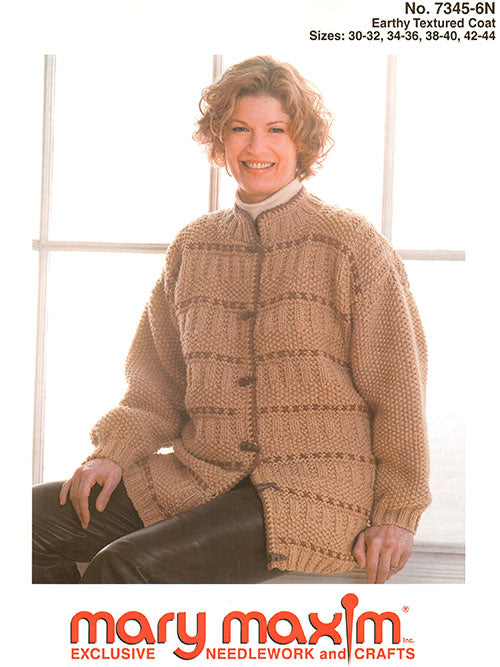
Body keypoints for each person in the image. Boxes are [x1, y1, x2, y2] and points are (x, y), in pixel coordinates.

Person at [32, 55, 431, 585]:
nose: (256, 146)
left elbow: (400, 392)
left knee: (122, 566)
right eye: (240, 129)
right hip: (196, 475)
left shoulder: (352, 245)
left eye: (276, 130)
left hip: (313, 490)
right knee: (21, 526)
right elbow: (156, 387)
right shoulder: (193, 246)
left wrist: (398, 514)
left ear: (302, 142)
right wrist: (112, 454)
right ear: (219, 140)